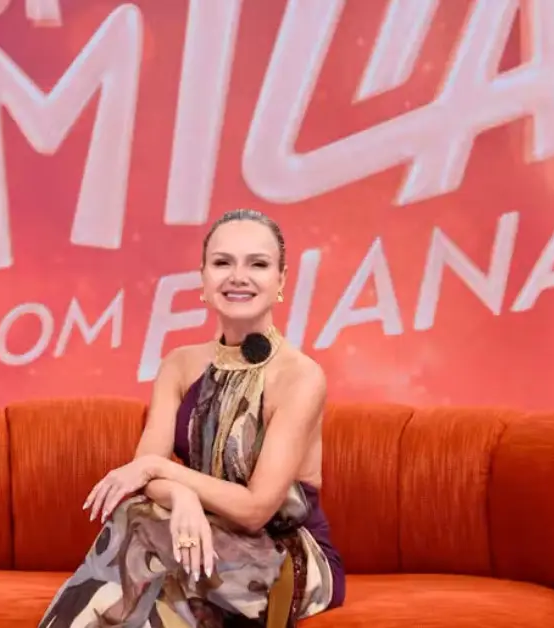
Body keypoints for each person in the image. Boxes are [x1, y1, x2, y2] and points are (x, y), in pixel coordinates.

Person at [38, 209, 345, 627]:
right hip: (196, 533)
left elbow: (256, 509)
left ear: (281, 281)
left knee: (146, 533)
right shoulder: (179, 365)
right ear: (203, 278)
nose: (238, 276)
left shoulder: (300, 376)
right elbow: (145, 475)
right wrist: (182, 499)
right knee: (140, 522)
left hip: (284, 550)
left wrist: (163, 471)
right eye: (222, 262)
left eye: (257, 264)